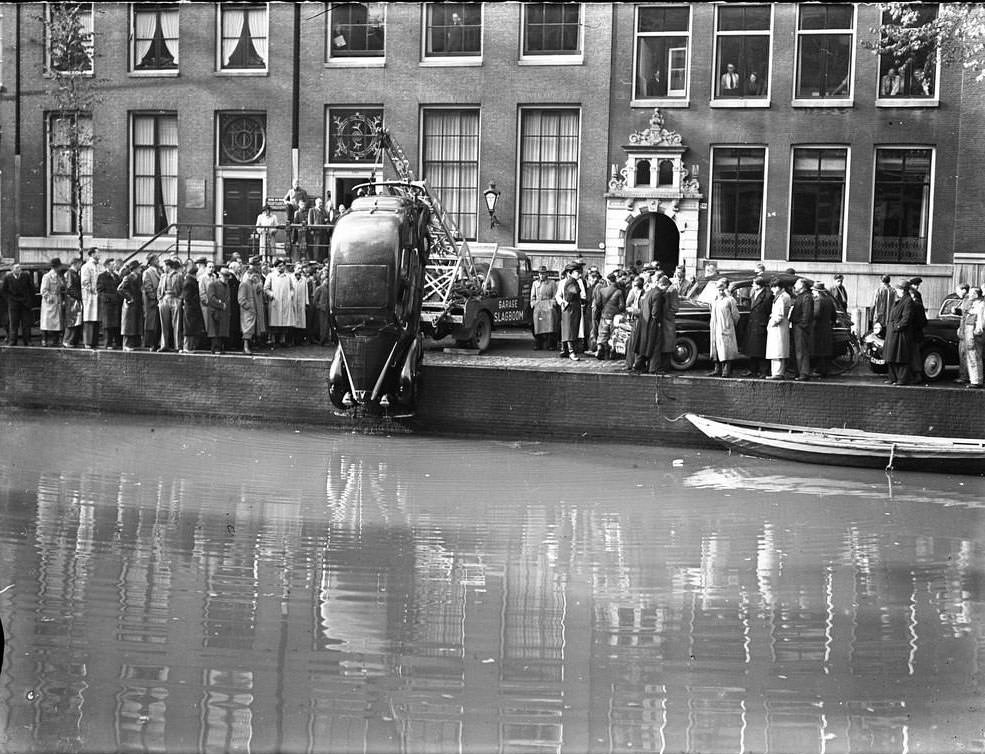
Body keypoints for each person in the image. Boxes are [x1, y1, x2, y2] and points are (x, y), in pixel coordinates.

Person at [884, 280, 915, 386]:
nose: (896, 290)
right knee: (891, 356)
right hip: (892, 333)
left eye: (898, 289)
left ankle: (901, 379)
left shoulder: (908, 301)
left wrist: (897, 327)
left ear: (903, 290)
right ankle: (892, 377)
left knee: (900, 357)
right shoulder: (899, 299)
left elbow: (906, 318)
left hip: (900, 334)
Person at [708, 279, 740, 377]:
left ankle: (726, 370)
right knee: (716, 348)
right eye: (719, 290)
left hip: (726, 327)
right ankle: (717, 369)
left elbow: (736, 315)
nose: (721, 292)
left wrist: (730, 325)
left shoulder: (730, 300)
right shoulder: (714, 300)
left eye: (722, 289)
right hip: (715, 327)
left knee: (726, 349)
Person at [744, 276, 772, 378]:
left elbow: (768, 310)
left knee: (761, 349)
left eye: (754, 283)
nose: (752, 285)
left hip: (760, 324)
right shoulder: (753, 294)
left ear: (759, 285)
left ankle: (763, 370)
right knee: (752, 349)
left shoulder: (767, 296)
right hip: (753, 324)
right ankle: (752, 369)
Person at [592, 272, 625, 361]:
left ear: (608, 281)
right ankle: (612, 351)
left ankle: (600, 348)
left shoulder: (602, 290)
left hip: (604, 314)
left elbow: (598, 303)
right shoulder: (619, 292)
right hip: (614, 315)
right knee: (613, 334)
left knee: (602, 333)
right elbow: (622, 306)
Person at [238, 260, 268, 355]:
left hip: (253, 311)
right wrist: (249, 307)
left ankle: (249, 346)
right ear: (250, 274)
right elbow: (241, 299)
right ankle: (245, 347)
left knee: (251, 329)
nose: (256, 277)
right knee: (247, 329)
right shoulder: (244, 284)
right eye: (254, 275)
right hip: (247, 311)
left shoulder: (252, 285)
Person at [264, 259, 296, 347]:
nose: (281, 268)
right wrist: (272, 295)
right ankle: (273, 340)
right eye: (279, 266)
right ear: (276, 267)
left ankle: (283, 340)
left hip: (286, 301)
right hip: (275, 301)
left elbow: (292, 288)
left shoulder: (288, 276)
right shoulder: (271, 276)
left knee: (284, 321)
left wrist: (291, 295)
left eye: (283, 266)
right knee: (274, 321)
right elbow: (266, 288)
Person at [765, 278, 791, 380]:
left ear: (778, 287)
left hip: (778, 327)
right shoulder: (784, 296)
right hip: (781, 326)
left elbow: (779, 315)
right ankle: (777, 372)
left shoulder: (781, 297)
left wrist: (772, 323)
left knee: (777, 349)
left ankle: (777, 373)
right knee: (777, 349)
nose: (772, 290)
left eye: (773, 287)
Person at [788, 278, 814, 381]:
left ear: (802, 286)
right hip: (797, 326)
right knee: (798, 350)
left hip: (800, 327)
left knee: (801, 350)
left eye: (797, 284)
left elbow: (806, 313)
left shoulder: (806, 297)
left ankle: (803, 373)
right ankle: (798, 372)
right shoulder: (801, 296)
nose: (795, 285)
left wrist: (803, 325)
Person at [558, 263, 584, 361]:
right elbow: (575, 292)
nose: (579, 274)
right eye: (577, 272)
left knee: (572, 330)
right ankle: (571, 352)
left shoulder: (574, 281)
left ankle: (566, 350)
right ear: (570, 273)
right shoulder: (570, 282)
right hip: (570, 309)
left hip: (574, 309)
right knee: (570, 331)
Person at [810, 282, 837, 378]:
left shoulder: (818, 300)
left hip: (817, 328)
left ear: (817, 291)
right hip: (827, 327)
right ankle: (825, 370)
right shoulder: (829, 300)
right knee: (825, 350)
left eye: (813, 290)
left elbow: (816, 314)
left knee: (818, 349)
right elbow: (834, 315)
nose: (812, 292)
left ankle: (818, 370)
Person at [961, 287, 985, 388]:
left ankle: (977, 381)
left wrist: (978, 331)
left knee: (975, 356)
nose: (969, 295)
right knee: (971, 356)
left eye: (971, 293)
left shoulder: (981, 305)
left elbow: (981, 319)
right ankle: (974, 379)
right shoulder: (974, 304)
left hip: (975, 334)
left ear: (976, 295)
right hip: (970, 333)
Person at [117, 260, 144, 351]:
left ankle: (134, 343)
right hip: (130, 305)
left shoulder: (139, 277)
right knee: (129, 326)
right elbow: (120, 289)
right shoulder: (128, 278)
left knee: (135, 324)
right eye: (139, 267)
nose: (140, 269)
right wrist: (130, 298)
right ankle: (127, 344)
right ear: (135, 269)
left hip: (136, 304)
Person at [157, 258, 183, 352]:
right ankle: (164, 345)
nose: (163, 268)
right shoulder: (163, 276)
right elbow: (159, 289)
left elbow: (182, 288)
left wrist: (179, 299)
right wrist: (160, 299)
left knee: (176, 323)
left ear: (168, 266)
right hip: (164, 299)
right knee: (164, 323)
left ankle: (177, 345)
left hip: (175, 299)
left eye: (164, 266)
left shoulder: (179, 275)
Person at [529, 266, 558, 351]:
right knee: (538, 324)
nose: (542, 275)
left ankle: (550, 344)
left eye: (543, 273)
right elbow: (532, 296)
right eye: (540, 273)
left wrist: (552, 303)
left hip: (548, 304)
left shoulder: (552, 283)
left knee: (550, 323)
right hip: (539, 305)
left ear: (546, 274)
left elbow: (555, 296)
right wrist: (533, 303)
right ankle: (538, 343)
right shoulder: (535, 283)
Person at [97, 257, 123, 349]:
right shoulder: (102, 276)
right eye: (112, 265)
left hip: (116, 304)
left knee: (116, 324)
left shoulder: (116, 276)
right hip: (108, 305)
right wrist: (110, 298)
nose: (114, 266)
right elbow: (100, 291)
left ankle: (117, 343)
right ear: (107, 265)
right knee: (108, 326)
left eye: (114, 264)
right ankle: (108, 343)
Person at [180, 259, 205, 353]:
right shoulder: (189, 282)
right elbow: (187, 297)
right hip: (190, 309)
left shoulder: (190, 281)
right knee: (189, 328)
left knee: (191, 327)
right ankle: (187, 347)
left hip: (192, 309)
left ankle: (189, 347)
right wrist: (195, 303)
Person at [206, 267, 231, 354]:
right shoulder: (213, 285)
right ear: (220, 275)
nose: (226, 278)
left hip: (223, 312)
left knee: (222, 331)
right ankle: (215, 348)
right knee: (215, 332)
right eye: (225, 276)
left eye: (227, 276)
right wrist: (220, 305)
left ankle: (220, 348)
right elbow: (211, 298)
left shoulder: (227, 285)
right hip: (215, 312)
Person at [39, 258, 64, 347]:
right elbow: (43, 290)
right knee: (46, 321)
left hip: (57, 300)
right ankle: (44, 339)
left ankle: (55, 340)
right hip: (50, 301)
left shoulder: (58, 276)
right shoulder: (47, 276)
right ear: (56, 267)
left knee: (57, 322)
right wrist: (49, 298)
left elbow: (62, 286)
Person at [657, 274, 678, 373]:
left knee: (667, 344)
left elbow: (674, 307)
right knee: (664, 344)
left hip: (668, 321)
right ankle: (663, 366)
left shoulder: (672, 290)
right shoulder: (668, 290)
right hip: (665, 321)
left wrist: (667, 315)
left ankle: (666, 367)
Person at [81, 247, 101, 348]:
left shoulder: (97, 266)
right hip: (90, 296)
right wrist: (92, 290)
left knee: (95, 318)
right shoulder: (87, 266)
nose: (99, 255)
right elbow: (85, 282)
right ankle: (88, 341)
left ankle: (94, 340)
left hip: (96, 296)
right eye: (97, 253)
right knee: (89, 318)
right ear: (92, 254)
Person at [62, 256, 84, 347]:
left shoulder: (73, 273)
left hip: (74, 300)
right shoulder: (70, 273)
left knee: (75, 321)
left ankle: (71, 340)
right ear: (76, 264)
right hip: (72, 301)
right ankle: (68, 340)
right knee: (72, 322)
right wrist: (80, 296)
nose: (81, 266)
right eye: (80, 264)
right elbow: (70, 288)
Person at [908, 276, 927, 382]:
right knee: (914, 353)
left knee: (914, 353)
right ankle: (916, 373)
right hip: (915, 330)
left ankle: (916, 374)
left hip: (914, 330)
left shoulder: (914, 296)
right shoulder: (915, 295)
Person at [142, 254, 162, 351]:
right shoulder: (147, 272)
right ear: (152, 261)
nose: (158, 261)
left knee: (156, 322)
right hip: (152, 302)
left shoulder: (159, 271)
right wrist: (154, 298)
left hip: (158, 300)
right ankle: (149, 343)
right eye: (156, 260)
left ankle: (155, 342)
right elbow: (147, 287)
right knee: (151, 322)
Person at [954, 282, 972, 384]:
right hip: (964, 330)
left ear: (964, 290)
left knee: (964, 354)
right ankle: (964, 375)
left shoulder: (968, 301)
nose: (957, 293)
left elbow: (966, 317)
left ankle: (964, 376)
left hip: (965, 332)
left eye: (958, 291)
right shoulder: (966, 300)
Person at [313, 271, 331, 346]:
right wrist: (319, 306)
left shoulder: (329, 289)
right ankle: (321, 340)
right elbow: (315, 300)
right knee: (322, 326)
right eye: (326, 280)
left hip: (327, 309)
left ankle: (325, 339)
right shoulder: (319, 288)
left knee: (326, 326)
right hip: (321, 310)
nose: (327, 282)